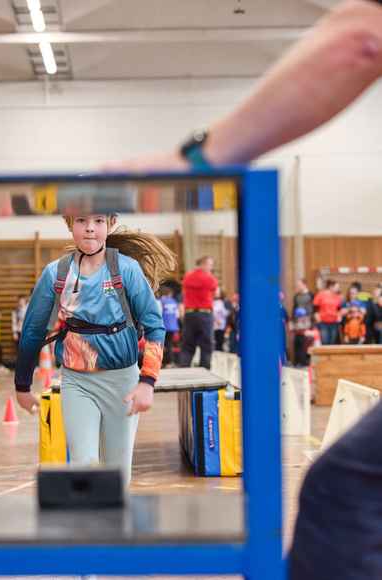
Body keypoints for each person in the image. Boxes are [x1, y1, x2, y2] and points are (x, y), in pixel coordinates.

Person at [106, 1, 382, 576]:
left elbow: (364, 37)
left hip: (187, 326)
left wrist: (201, 157)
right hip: (179, 328)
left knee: (345, 493)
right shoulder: (197, 280)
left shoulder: (189, 280)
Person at [14, 213, 174, 485]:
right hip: (77, 382)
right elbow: (32, 331)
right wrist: (22, 385)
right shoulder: (56, 274)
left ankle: (114, 512)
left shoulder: (127, 269)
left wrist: (147, 382)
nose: (90, 228)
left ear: (110, 224)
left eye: (98, 221)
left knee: (117, 473)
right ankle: (86, 513)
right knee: (83, 466)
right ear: (69, 224)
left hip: (123, 383)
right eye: (81, 221)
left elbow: (155, 327)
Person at [181, 256, 218, 369]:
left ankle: (184, 369)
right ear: (203, 264)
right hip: (205, 314)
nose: (211, 268)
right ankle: (205, 370)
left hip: (190, 313)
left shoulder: (187, 276)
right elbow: (216, 293)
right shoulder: (210, 278)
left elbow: (184, 290)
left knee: (188, 344)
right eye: (210, 265)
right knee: (206, 344)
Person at [313, 279, 342, 345]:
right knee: (325, 340)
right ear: (331, 287)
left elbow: (339, 309)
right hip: (323, 322)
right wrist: (317, 316)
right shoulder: (320, 295)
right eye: (337, 287)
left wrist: (339, 316)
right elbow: (315, 307)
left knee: (332, 341)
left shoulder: (337, 297)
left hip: (334, 322)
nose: (338, 289)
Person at [159, 286, 180, 366]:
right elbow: (177, 315)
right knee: (169, 344)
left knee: (161, 344)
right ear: (170, 293)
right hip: (173, 326)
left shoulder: (161, 301)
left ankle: (162, 361)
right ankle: (170, 361)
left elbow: (159, 313)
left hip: (164, 325)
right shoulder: (173, 301)